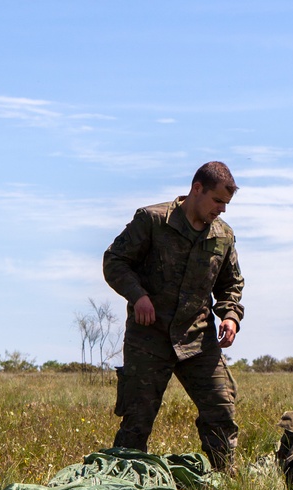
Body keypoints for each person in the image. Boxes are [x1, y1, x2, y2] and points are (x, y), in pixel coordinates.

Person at [102, 161, 244, 470]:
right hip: (149, 337)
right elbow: (115, 261)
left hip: (198, 339)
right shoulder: (152, 220)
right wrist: (137, 296)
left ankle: (226, 482)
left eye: (226, 203)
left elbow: (230, 283)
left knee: (222, 408)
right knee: (137, 421)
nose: (222, 209)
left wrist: (230, 316)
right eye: (217, 200)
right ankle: (123, 482)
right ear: (197, 189)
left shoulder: (223, 235)